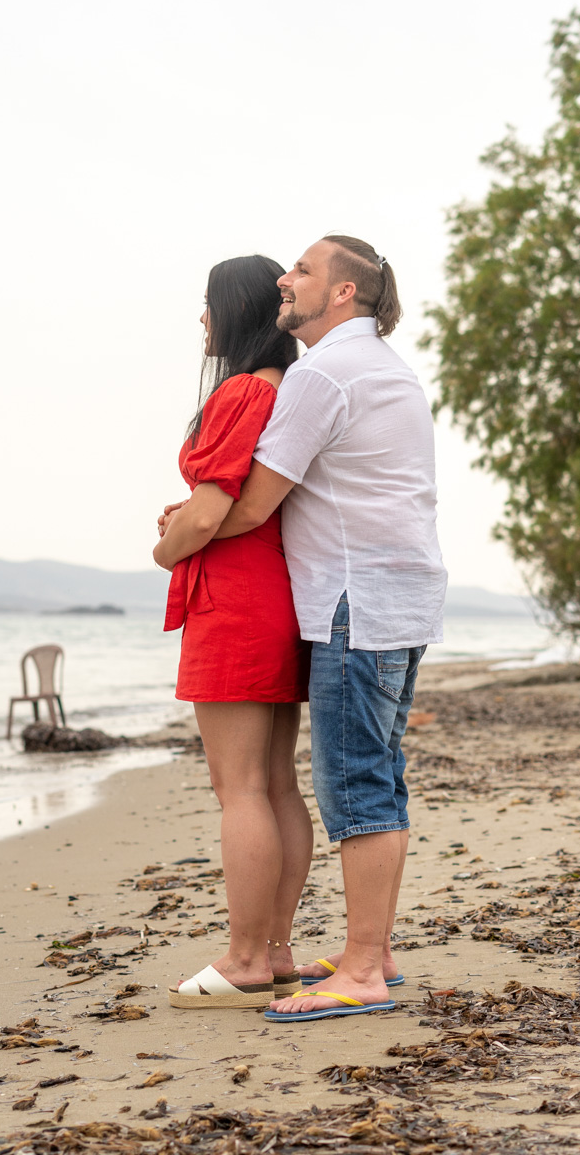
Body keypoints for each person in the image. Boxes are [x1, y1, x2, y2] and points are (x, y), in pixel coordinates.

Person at [199, 235, 448, 1021]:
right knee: (380, 775)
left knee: (357, 787)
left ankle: (365, 969)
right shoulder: (384, 367)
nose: (286, 278)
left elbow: (254, 504)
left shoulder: (325, 375)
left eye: (304, 270)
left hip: (353, 602)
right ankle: (373, 951)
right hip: (397, 597)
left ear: (344, 292)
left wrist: (183, 530)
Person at [153, 254, 312, 1010]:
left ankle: (245, 957)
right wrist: (191, 517)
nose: (203, 319)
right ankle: (275, 951)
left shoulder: (242, 391)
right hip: (277, 596)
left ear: (238, 311)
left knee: (239, 789)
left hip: (234, 602)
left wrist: (168, 546)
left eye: (210, 304)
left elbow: (213, 512)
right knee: (276, 784)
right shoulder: (286, 389)